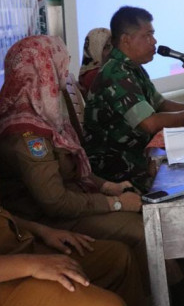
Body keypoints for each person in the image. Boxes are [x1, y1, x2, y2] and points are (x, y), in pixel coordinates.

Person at [0, 35, 148, 288]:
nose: (63, 74)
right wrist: (115, 204)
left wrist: (106, 187)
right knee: (141, 230)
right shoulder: (26, 133)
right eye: (57, 66)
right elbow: (55, 203)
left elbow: (74, 171)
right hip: (45, 221)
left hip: (70, 204)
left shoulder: (46, 119)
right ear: (42, 71)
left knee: (145, 218)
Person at [84, 6, 184, 192]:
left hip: (136, 158)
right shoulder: (116, 74)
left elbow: (160, 104)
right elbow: (149, 123)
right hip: (118, 171)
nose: (154, 41)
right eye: (147, 36)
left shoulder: (132, 67)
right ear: (126, 40)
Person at [0, 207, 148, 306]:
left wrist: (42, 231)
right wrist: (32, 264)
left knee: (118, 257)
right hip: (8, 276)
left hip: (20, 247)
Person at [79, 27, 113, 94]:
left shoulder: (91, 73)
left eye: (113, 47)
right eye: (107, 47)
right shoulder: (95, 75)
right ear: (94, 49)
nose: (112, 51)